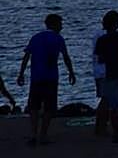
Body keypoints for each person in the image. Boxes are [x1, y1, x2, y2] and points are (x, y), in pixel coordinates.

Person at [17, 13, 76, 147]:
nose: (61, 27)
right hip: (51, 77)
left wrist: (21, 73)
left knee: (34, 106)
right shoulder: (58, 39)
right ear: (55, 24)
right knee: (49, 107)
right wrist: (71, 72)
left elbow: (26, 56)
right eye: (60, 24)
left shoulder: (36, 37)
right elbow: (66, 57)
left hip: (36, 77)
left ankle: (33, 134)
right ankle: (43, 134)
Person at [95, 10, 118, 144]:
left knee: (114, 106)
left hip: (112, 74)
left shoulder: (102, 40)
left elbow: (100, 59)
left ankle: (116, 132)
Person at [91, 22, 108, 137]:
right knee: (106, 99)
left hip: (100, 71)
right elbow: (101, 56)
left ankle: (101, 126)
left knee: (105, 98)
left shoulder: (98, 34)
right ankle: (100, 127)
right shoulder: (102, 36)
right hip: (103, 72)